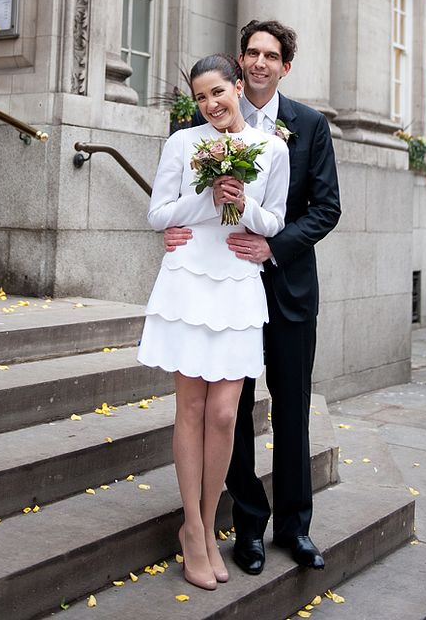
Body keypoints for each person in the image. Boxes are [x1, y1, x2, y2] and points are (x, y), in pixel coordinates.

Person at [164, 20, 341, 575]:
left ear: (285, 66)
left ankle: (295, 527)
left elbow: (325, 208)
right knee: (227, 414)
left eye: (271, 55)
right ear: (240, 66)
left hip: (283, 286)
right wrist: (175, 227)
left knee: (291, 409)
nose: (260, 62)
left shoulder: (308, 126)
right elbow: (177, 197)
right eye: (251, 53)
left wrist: (271, 249)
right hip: (220, 288)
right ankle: (247, 527)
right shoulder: (201, 120)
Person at [138, 53, 289, 591]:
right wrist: (206, 194)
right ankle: (195, 531)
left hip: (238, 281)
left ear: (238, 87)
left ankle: (204, 519)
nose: (211, 105)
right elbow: (158, 214)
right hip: (189, 278)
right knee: (192, 406)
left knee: (225, 413)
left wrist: (242, 202)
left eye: (218, 92)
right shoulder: (182, 143)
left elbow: (274, 220)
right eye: (201, 97)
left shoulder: (272, 148)